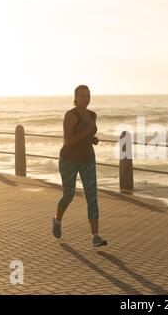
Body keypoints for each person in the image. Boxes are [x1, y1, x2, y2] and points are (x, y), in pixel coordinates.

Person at [52, 84, 107, 247]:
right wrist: (88, 131)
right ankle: (57, 220)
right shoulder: (70, 115)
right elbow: (69, 141)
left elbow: (87, 136)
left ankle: (95, 236)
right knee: (68, 195)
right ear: (75, 97)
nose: (86, 98)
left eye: (88, 95)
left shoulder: (92, 115)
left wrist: (92, 138)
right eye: (82, 95)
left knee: (92, 196)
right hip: (69, 159)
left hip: (88, 159)